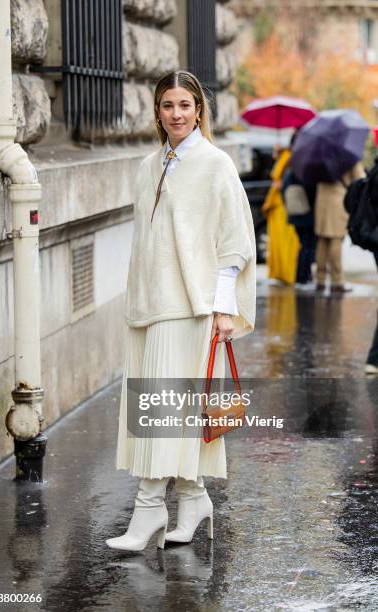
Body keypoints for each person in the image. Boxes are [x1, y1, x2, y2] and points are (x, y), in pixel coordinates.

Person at [106, 70, 256, 552]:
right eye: (168, 105)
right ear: (157, 111)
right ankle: (193, 500)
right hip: (150, 305)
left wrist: (223, 308)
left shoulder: (215, 164)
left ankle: (149, 510)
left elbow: (234, 243)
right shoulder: (149, 165)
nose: (176, 114)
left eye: (185, 105)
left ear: (199, 111)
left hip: (191, 308)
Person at [314, 163, 365, 293]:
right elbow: (360, 178)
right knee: (336, 239)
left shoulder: (319, 155)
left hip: (321, 200)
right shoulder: (346, 155)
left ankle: (320, 279)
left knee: (323, 241)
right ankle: (337, 281)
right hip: (338, 199)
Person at [261, 145, 301, 285]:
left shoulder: (287, 158)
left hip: (281, 206)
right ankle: (282, 272)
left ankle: (285, 272)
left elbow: (281, 180)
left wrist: (280, 184)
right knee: (280, 242)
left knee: (284, 242)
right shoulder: (285, 158)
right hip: (280, 206)